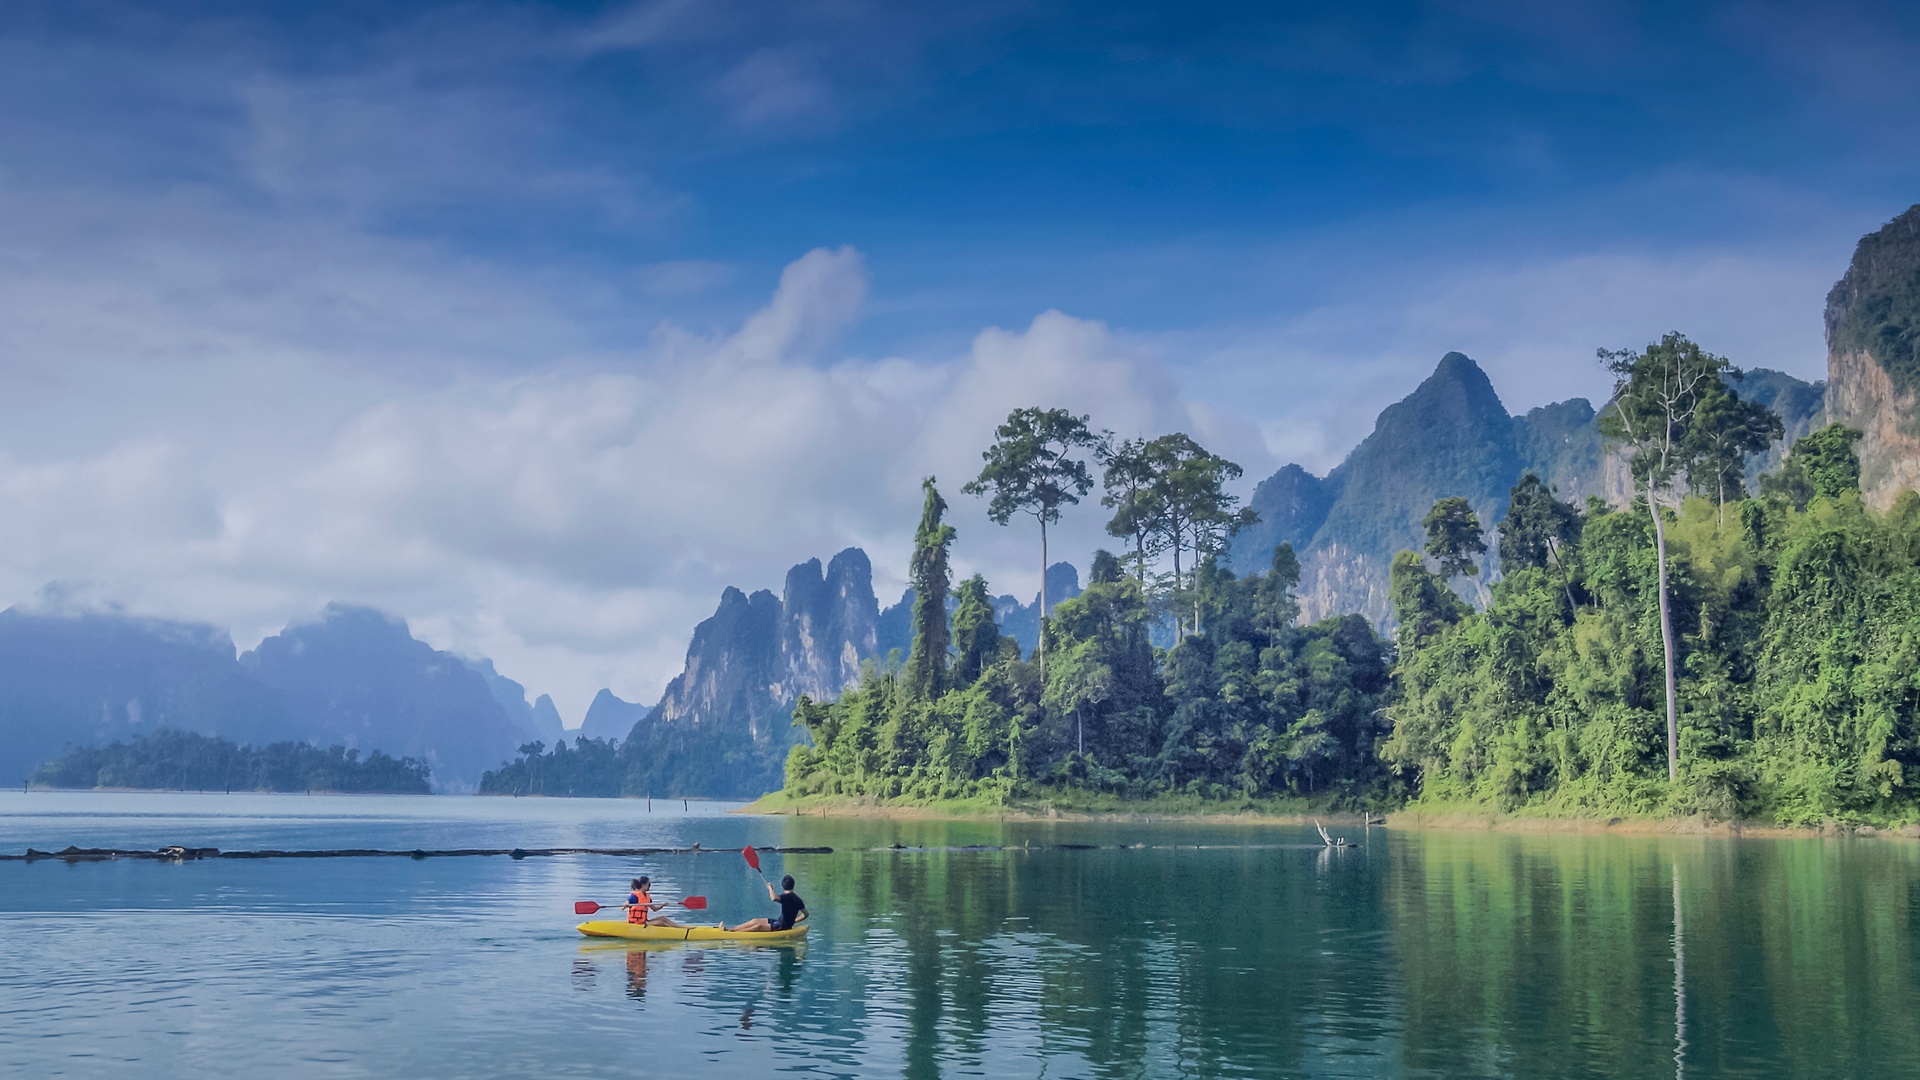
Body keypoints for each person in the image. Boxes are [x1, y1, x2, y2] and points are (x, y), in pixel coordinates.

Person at [725, 875, 806, 933]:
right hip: (779, 922)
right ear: (793, 885)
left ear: (783, 886)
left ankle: (733, 932)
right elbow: (806, 914)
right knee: (755, 921)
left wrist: (770, 889)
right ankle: (733, 929)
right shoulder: (798, 900)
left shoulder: (787, 897)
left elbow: (773, 898)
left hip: (782, 927)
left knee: (758, 926)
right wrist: (794, 921)